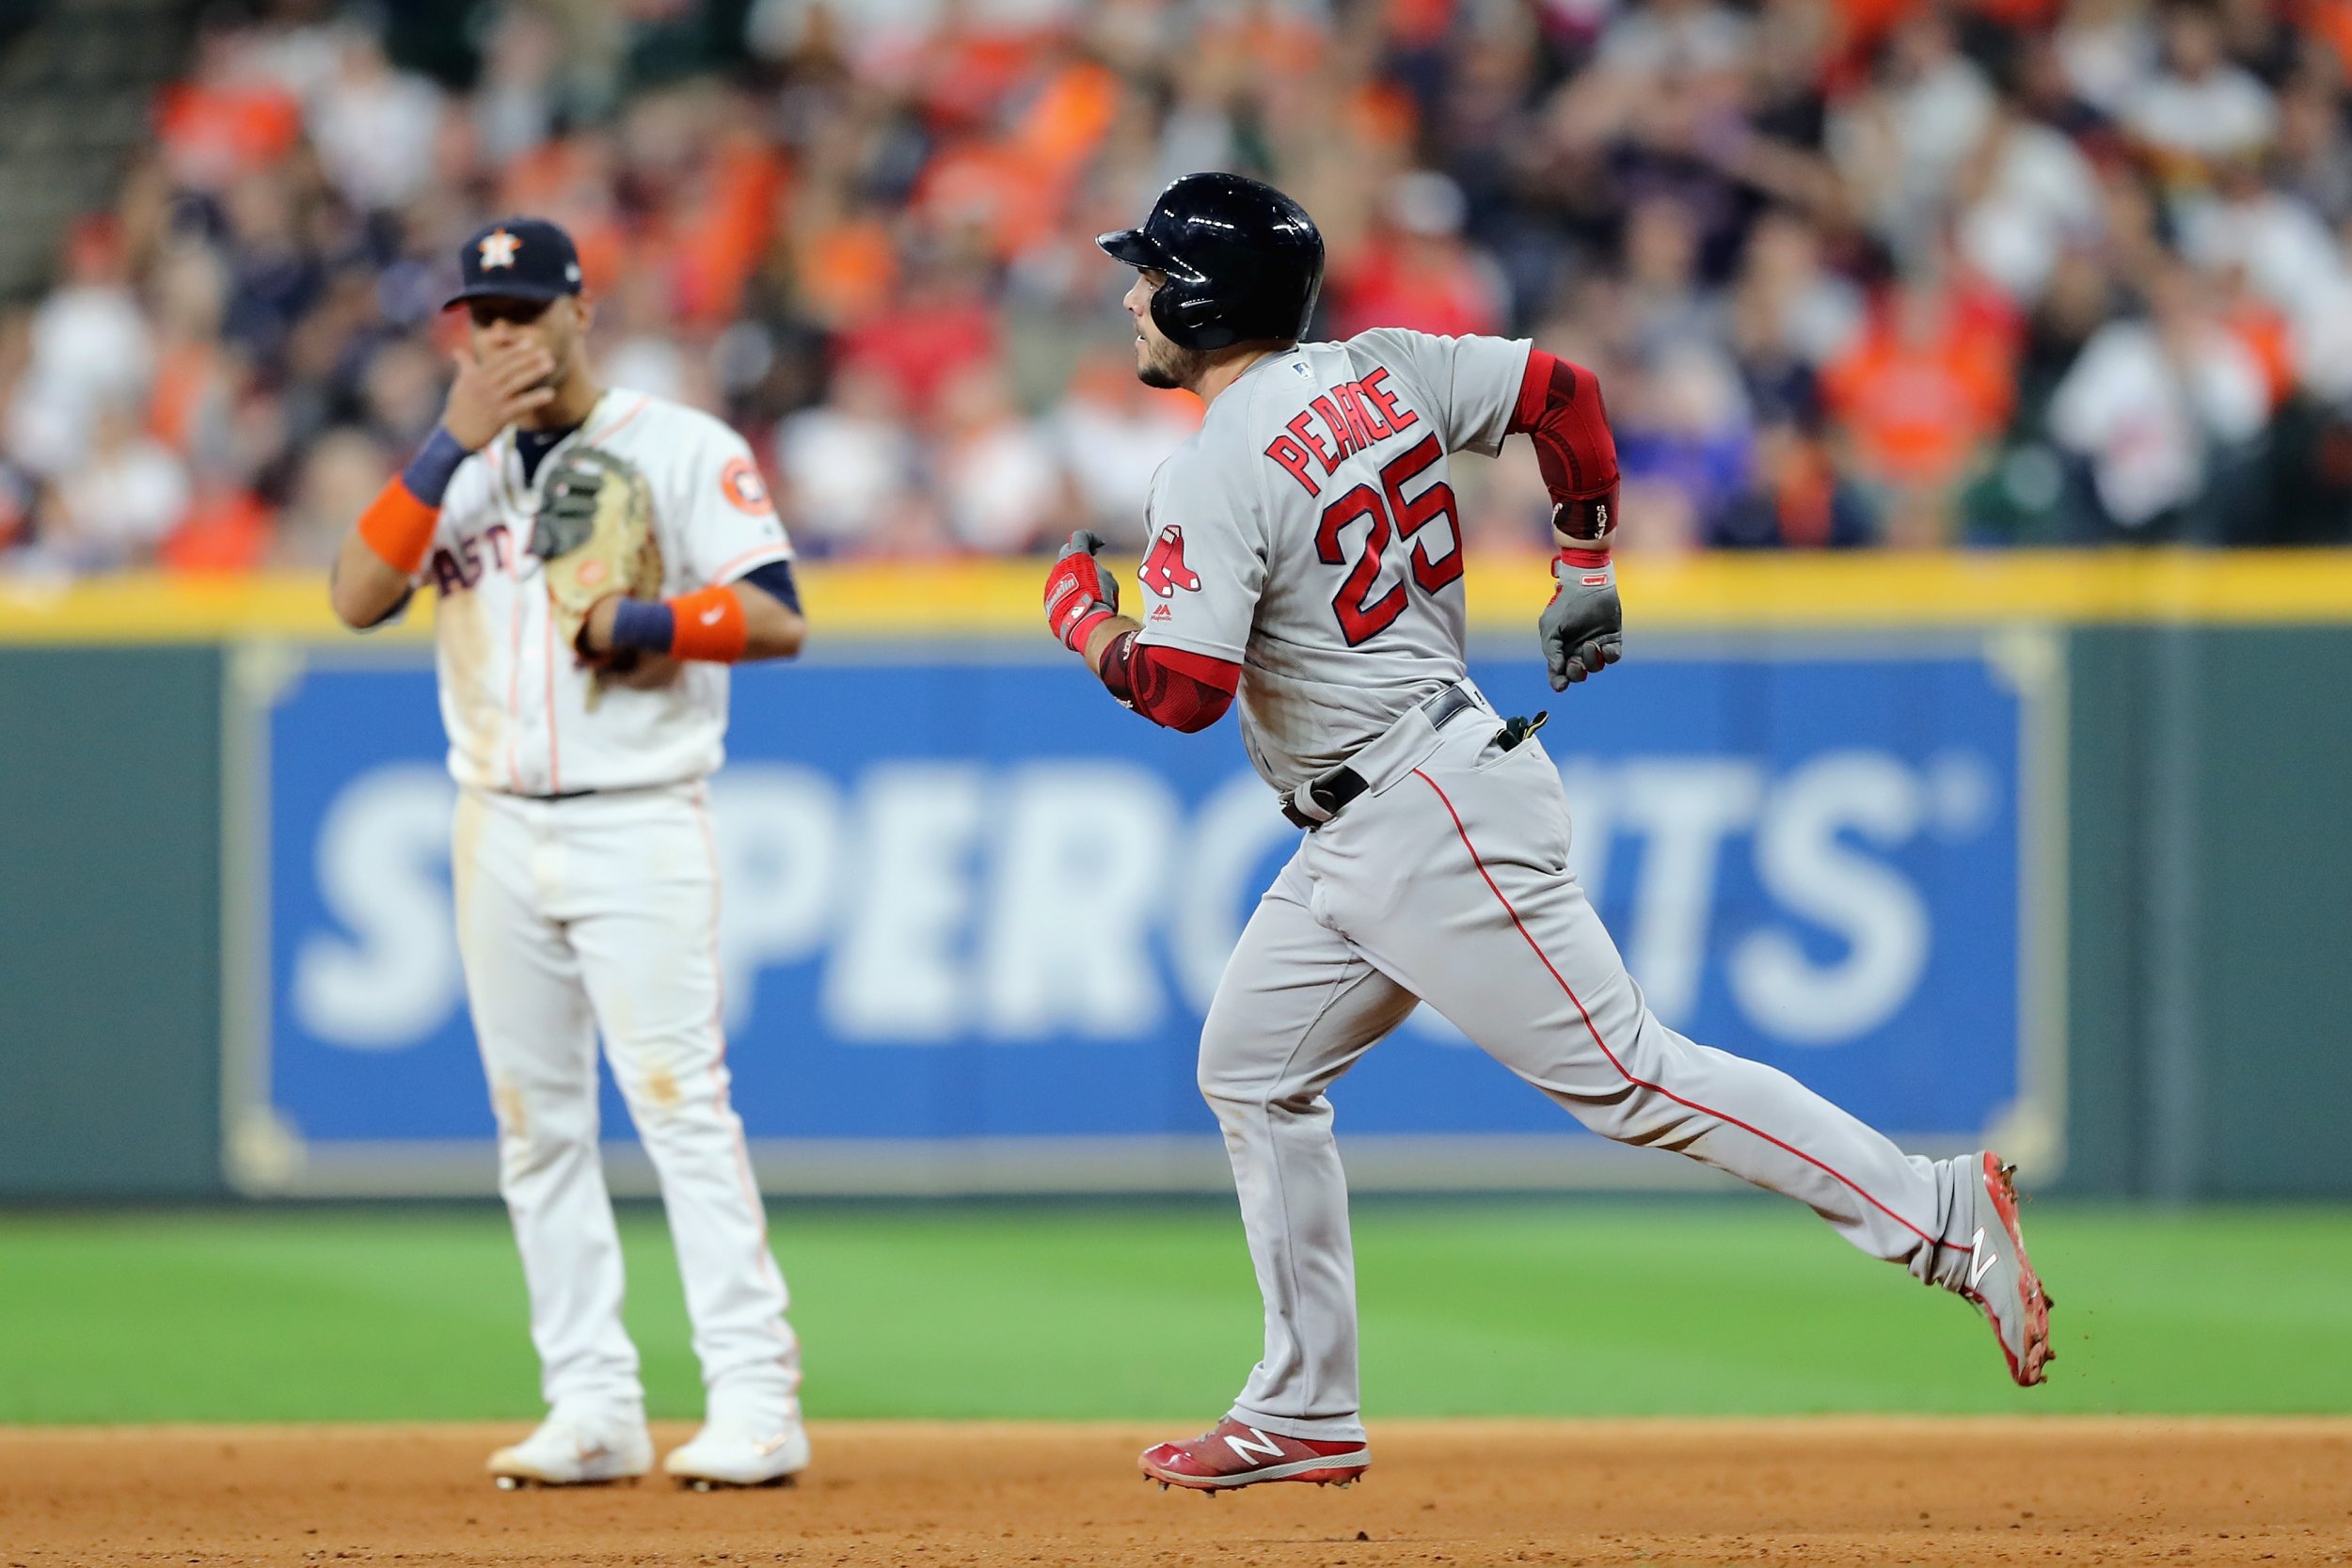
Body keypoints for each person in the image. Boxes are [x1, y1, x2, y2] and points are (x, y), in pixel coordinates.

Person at [1041, 173, 2055, 1494]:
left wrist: (1081, 618)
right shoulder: (1386, 368)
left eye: (1148, 272)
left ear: (1198, 297)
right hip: (1381, 813)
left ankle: (1936, 1212)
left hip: (1421, 808)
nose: (1130, 294)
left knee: (1631, 1076)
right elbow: (1562, 397)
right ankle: (1305, 1408)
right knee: (1251, 1069)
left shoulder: (1214, 466)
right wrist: (1584, 562)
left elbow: (1183, 693)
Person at [328, 217, 810, 1491]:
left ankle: (757, 1398)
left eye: (525, 311)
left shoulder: (682, 445)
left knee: (679, 1109)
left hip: (640, 813)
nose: (503, 336)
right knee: (534, 1126)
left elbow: (777, 616)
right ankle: (592, 1402)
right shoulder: (458, 471)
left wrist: (652, 618)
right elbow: (354, 593)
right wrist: (447, 445)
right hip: (494, 818)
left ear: (579, 311)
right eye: (483, 317)